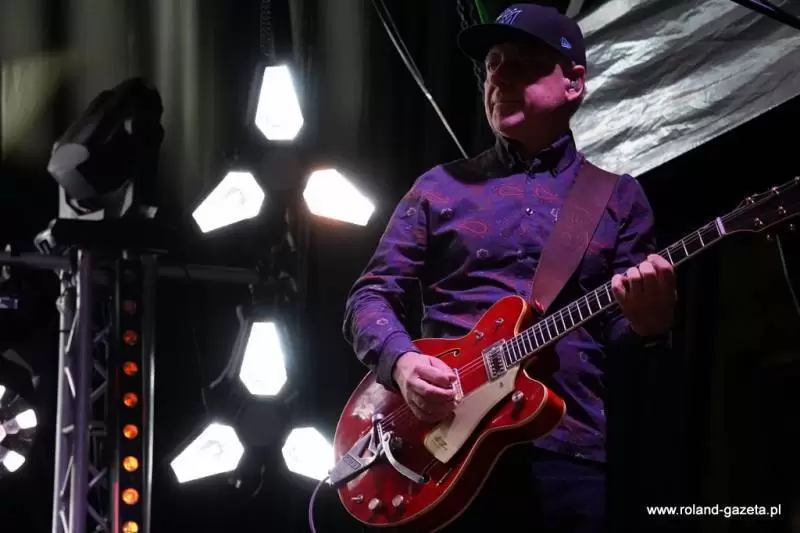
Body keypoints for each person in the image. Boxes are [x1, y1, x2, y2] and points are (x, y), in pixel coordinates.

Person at [342, 3, 676, 532]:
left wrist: (649, 325)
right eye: (492, 65)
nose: (497, 78)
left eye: (521, 64)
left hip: (565, 450)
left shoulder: (618, 198)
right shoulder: (438, 188)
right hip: (441, 450)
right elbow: (369, 297)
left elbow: (624, 340)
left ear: (573, 82)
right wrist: (403, 365)